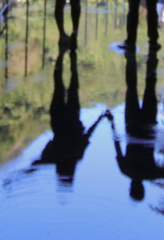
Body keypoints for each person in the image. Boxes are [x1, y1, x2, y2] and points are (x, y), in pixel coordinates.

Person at [105, 52, 164, 202]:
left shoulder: (150, 173)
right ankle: (131, 57)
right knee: (131, 87)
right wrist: (111, 121)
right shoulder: (126, 170)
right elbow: (116, 142)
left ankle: (151, 55)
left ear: (142, 188)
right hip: (132, 123)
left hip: (147, 123)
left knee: (150, 86)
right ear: (131, 188)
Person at [32, 50, 110, 184]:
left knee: (73, 86)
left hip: (71, 116)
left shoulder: (74, 155)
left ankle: (70, 59)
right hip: (58, 117)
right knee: (59, 84)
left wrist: (101, 118)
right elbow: (36, 164)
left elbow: (88, 135)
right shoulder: (55, 158)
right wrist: (100, 118)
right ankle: (63, 56)